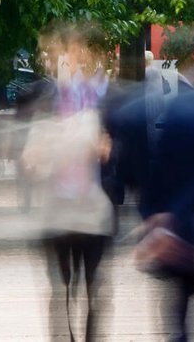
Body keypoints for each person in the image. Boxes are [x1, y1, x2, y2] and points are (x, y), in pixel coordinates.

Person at [20, 32, 115, 341]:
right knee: (61, 287)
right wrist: (33, 158)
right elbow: (30, 154)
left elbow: (116, 148)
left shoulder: (103, 97)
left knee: (92, 286)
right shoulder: (46, 99)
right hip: (58, 208)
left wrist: (106, 149)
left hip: (91, 207)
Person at [137, 31, 194, 342]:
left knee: (177, 297)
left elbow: (156, 166)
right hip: (183, 219)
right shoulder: (191, 109)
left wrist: (152, 213)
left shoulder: (169, 110)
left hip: (168, 212)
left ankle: (177, 333)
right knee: (184, 295)